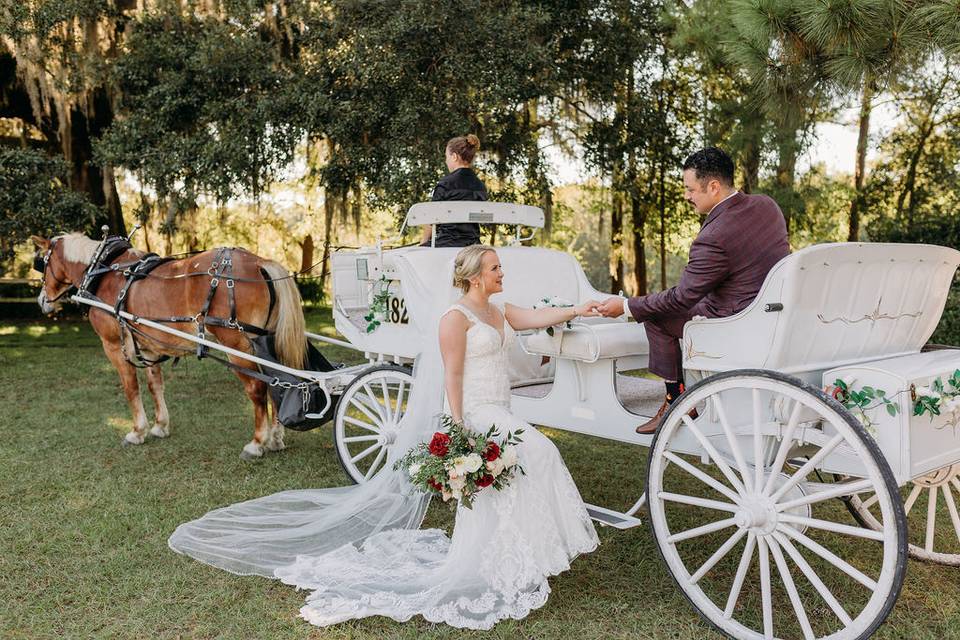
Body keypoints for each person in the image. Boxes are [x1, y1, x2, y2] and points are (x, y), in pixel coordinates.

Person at [169, 245, 603, 630]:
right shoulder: (456, 319)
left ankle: (512, 554)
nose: (501, 273)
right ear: (474, 277)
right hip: (477, 412)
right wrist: (459, 427)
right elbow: (452, 375)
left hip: (502, 409)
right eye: (495, 268)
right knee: (541, 451)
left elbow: (535, 318)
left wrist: (577, 311)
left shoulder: (499, 309)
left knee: (514, 474)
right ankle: (510, 555)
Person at [597, 147, 789, 434]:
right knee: (663, 307)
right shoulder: (767, 206)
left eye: (690, 189)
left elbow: (683, 297)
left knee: (658, 318)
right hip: (773, 312)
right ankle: (680, 397)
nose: (687, 196)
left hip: (734, 319)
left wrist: (627, 307)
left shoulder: (714, 235)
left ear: (713, 186)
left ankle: (677, 400)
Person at [421, 134, 487, 247]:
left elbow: (432, 218)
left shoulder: (445, 184)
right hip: (473, 243)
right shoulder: (480, 186)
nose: (446, 161)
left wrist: (423, 242)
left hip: (447, 242)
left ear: (454, 157)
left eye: (447, 157)